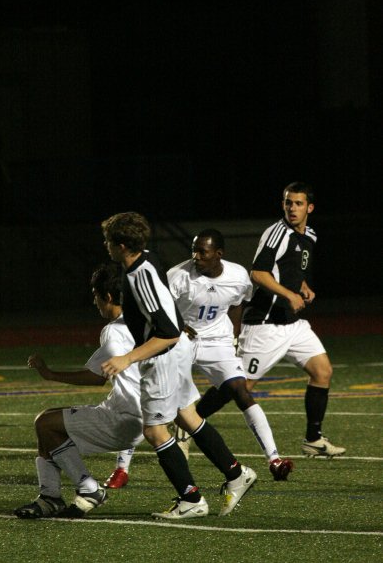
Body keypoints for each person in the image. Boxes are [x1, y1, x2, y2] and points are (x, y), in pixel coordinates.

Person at [105, 229, 293, 489]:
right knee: (147, 397)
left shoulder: (238, 275)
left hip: (216, 341)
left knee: (239, 388)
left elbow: (238, 302)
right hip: (178, 341)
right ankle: (122, 468)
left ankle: (273, 458)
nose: (196, 256)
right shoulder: (178, 276)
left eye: (202, 252)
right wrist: (180, 326)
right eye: (193, 250)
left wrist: (234, 335)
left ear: (219, 254)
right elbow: (159, 308)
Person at [100, 212, 257, 520]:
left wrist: (127, 358)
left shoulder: (137, 276)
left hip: (164, 354)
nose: (105, 246)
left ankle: (191, 499)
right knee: (188, 416)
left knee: (154, 430)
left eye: (107, 241)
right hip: (178, 349)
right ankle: (237, 474)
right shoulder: (146, 258)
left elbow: (167, 332)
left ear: (120, 245)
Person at [15, 262, 144, 519]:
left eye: (96, 296)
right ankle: (49, 497)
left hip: (125, 416)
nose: (94, 302)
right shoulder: (147, 321)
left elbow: (96, 377)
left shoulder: (114, 330)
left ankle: (87, 489)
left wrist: (50, 374)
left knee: (45, 423)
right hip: (151, 417)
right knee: (49, 425)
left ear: (107, 296)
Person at [237, 181, 345, 457]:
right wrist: (289, 294)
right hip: (265, 324)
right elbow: (258, 273)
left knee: (322, 372)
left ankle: (313, 439)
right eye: (288, 202)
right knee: (238, 387)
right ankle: (187, 426)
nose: (292, 208)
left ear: (310, 207)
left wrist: (303, 286)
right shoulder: (277, 233)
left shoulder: (309, 235)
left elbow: (294, 269)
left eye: (298, 203)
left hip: (292, 324)